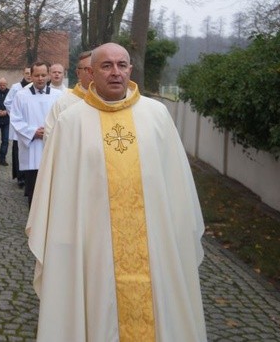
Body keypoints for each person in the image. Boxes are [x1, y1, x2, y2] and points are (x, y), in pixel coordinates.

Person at [26, 43, 207, 341]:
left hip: (153, 246)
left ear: (130, 70)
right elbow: (59, 198)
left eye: (122, 65)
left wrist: (177, 236)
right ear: (91, 73)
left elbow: (176, 189)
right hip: (94, 249)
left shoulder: (157, 116)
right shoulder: (71, 122)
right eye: (106, 66)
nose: (115, 72)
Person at [9, 62, 61, 207]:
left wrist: (50, 131)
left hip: (51, 145)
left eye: (43, 75)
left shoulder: (58, 96)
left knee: (51, 188)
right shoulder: (21, 96)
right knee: (33, 189)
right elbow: (15, 118)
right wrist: (33, 132)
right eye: (37, 75)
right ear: (31, 76)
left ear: (49, 75)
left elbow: (63, 118)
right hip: (32, 147)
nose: (40, 78)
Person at [43, 51, 93, 139]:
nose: (93, 72)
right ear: (78, 73)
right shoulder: (63, 103)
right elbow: (50, 136)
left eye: (97, 68)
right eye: (87, 69)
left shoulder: (109, 102)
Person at [4, 67, 31, 186]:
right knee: (17, 151)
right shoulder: (16, 87)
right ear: (23, 74)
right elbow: (8, 102)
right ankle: (20, 176)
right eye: (27, 73)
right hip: (18, 124)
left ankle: (28, 175)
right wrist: (16, 114)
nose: (29, 75)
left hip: (30, 124)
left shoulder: (35, 89)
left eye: (31, 73)